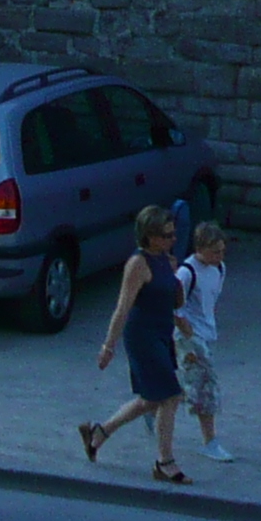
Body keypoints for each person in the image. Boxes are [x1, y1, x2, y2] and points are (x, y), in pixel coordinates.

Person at [77, 204, 191, 484]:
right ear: (150, 236)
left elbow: (174, 300)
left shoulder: (167, 259)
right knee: (171, 396)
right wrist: (108, 346)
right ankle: (165, 462)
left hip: (162, 333)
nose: (172, 240)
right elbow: (123, 307)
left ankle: (99, 433)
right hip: (142, 336)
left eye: (173, 235)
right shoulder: (138, 264)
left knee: (150, 399)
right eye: (166, 235)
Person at [176, 222, 234, 462]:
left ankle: (154, 405)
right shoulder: (186, 273)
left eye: (221, 251)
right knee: (206, 387)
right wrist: (188, 334)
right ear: (200, 249)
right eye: (214, 251)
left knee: (191, 384)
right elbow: (174, 307)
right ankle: (210, 441)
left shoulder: (219, 269)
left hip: (204, 334)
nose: (220, 256)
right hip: (190, 338)